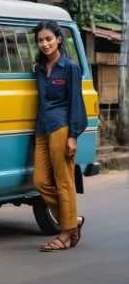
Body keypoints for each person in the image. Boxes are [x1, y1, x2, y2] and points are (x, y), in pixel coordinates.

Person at [32, 20, 88, 252]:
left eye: (48, 39)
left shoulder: (70, 68)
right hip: (42, 129)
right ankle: (72, 220)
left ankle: (65, 234)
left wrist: (73, 136)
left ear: (58, 40)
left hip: (62, 128)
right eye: (40, 40)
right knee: (41, 181)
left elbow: (77, 102)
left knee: (64, 181)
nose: (44, 44)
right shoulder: (39, 68)